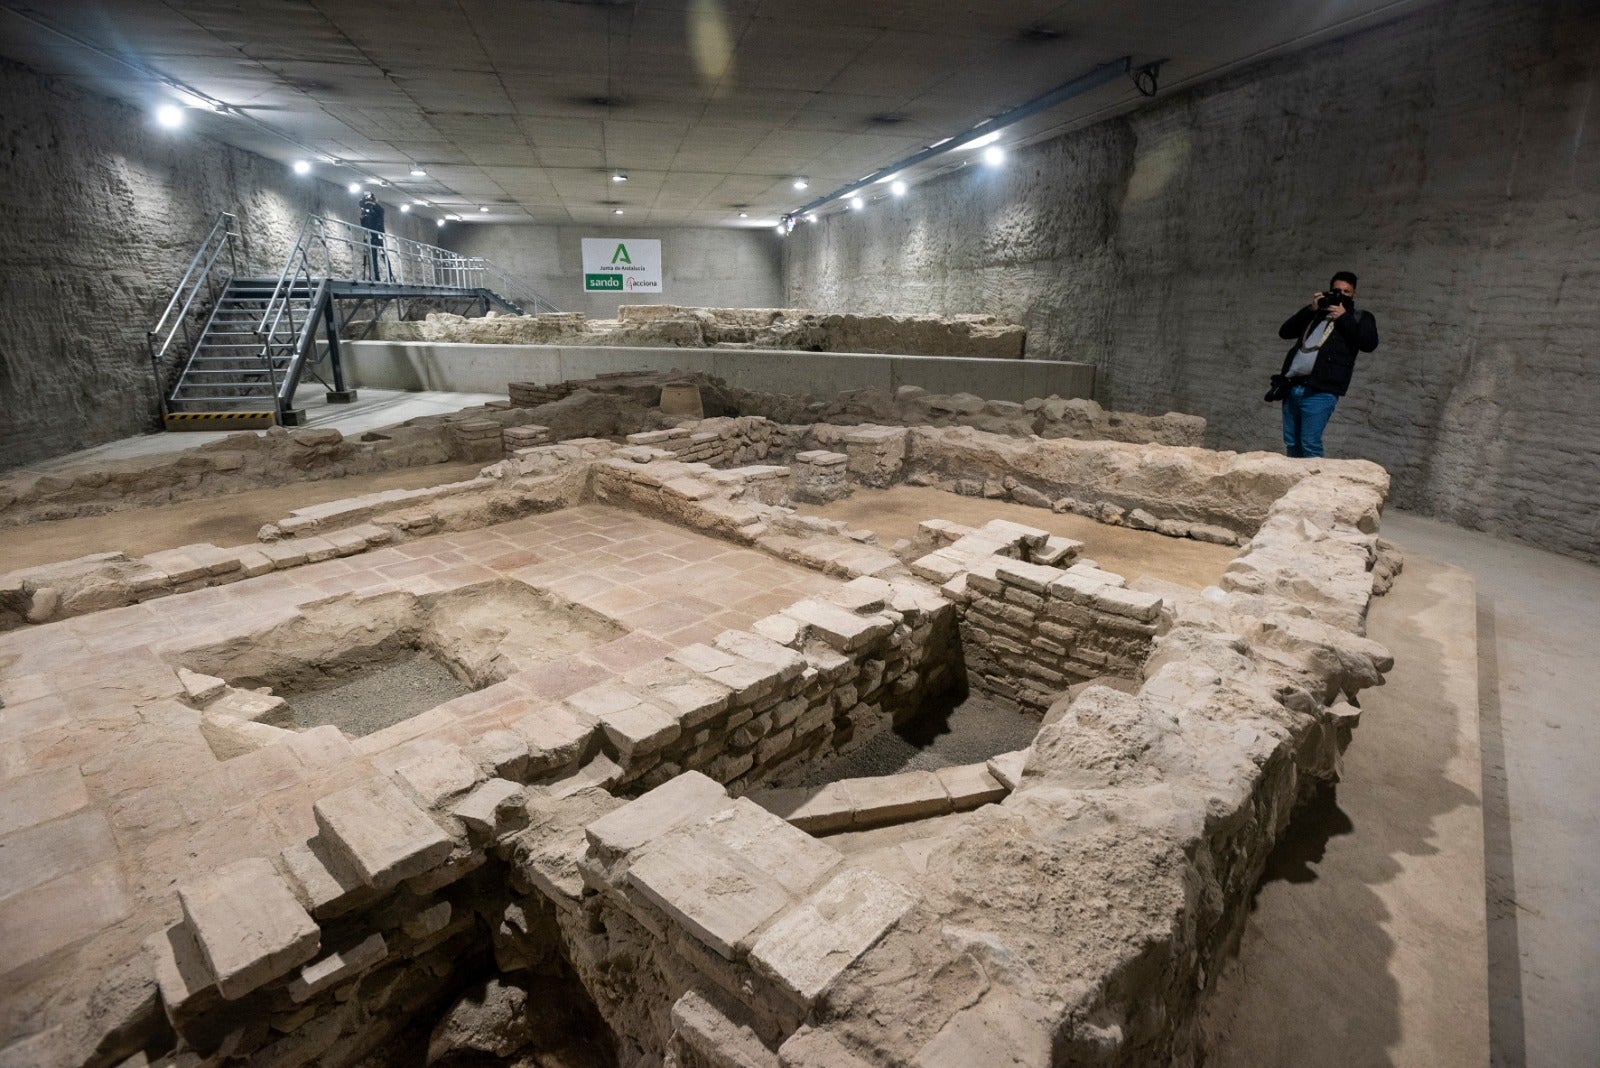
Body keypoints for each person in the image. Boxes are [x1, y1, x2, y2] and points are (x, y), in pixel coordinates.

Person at [1275, 271, 1379, 458]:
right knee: (1292, 443)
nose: (1340, 295)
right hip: (1293, 387)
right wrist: (1310, 309)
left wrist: (1343, 317)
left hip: (1321, 391)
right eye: (1336, 290)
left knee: (1310, 444)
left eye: (1346, 292)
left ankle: (1314, 486)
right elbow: (1285, 331)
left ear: (1354, 294)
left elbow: (1368, 344)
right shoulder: (1316, 315)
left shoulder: (1360, 317)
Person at [358, 191, 386, 281]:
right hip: (370, 235)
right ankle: (376, 277)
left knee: (383, 255)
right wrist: (363, 218)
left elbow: (381, 212)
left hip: (379, 235)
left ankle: (390, 276)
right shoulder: (365, 211)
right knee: (372, 257)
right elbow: (364, 225)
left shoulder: (378, 209)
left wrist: (372, 204)